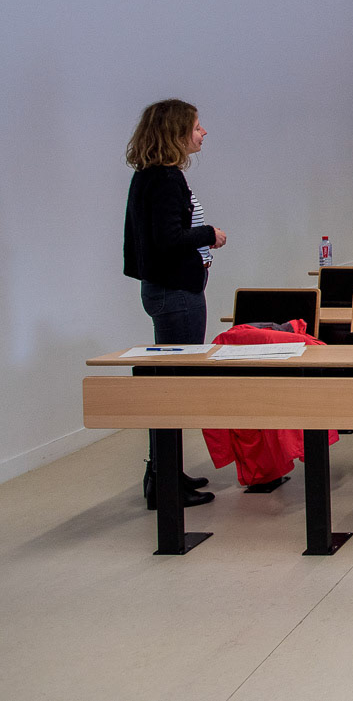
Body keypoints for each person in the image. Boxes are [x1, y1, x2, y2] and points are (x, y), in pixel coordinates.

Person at [124, 98, 225, 508]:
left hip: (168, 291)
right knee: (173, 388)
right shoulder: (165, 179)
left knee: (172, 385)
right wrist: (210, 234)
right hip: (175, 294)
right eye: (197, 126)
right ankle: (163, 480)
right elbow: (168, 239)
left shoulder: (149, 176)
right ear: (177, 133)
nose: (203, 133)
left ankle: (168, 472)